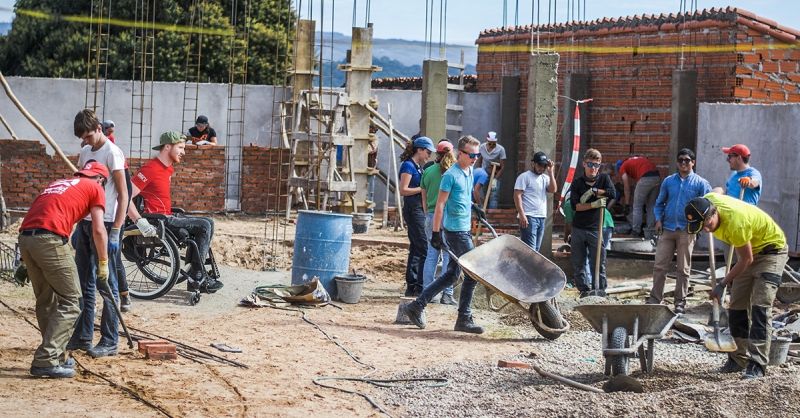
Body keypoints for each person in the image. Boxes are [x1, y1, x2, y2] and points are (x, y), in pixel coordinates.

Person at [19, 162, 110, 378]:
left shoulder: (58, 183)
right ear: (100, 179)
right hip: (49, 239)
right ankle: (46, 359)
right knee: (72, 300)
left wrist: (24, 261)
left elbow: (41, 215)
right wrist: (104, 262)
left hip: (26, 239)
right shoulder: (95, 187)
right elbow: (98, 229)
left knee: (46, 300)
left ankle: (56, 356)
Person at [685, 192, 788, 379]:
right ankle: (738, 358)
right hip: (749, 252)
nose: (707, 230)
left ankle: (757, 364)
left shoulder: (735, 223)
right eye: (702, 228)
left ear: (713, 214)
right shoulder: (709, 201)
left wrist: (722, 284)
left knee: (760, 307)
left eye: (708, 225)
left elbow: (746, 259)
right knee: (737, 308)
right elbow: (717, 191)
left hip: (771, 252)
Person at [402, 135, 485, 334]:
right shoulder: (451, 175)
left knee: (451, 275)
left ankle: (417, 305)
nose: (475, 159)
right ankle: (463, 318)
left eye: (477, 155)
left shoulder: (469, 171)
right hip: (455, 232)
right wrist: (437, 232)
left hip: (464, 228)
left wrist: (474, 207)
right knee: (473, 274)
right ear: (460, 153)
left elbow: (463, 196)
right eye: (471, 155)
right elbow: (439, 205)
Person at [128, 131, 223, 292]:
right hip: (156, 220)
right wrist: (138, 220)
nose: (183, 152)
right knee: (204, 226)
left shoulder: (168, 169)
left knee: (208, 222)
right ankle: (198, 276)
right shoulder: (150, 168)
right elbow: (125, 197)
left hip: (167, 215)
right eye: (180, 147)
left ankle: (196, 273)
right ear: (167, 147)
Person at [68, 109, 128, 359]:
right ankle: (82, 336)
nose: (86, 141)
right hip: (85, 223)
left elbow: (124, 195)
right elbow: (82, 189)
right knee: (85, 285)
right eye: (82, 138)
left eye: (89, 136)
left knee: (108, 284)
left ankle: (110, 340)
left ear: (99, 129)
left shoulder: (113, 153)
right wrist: (75, 223)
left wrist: (116, 230)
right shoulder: (85, 152)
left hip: (105, 224)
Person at [646, 149, 712, 314]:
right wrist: (658, 219)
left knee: (683, 269)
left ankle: (680, 302)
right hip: (667, 228)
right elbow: (659, 202)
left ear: (693, 162)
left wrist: (701, 225)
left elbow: (708, 206)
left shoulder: (700, 183)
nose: (684, 163)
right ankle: (655, 300)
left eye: (687, 160)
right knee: (660, 265)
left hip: (687, 230)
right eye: (681, 160)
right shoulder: (669, 181)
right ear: (677, 162)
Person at [570, 149, 616, 297]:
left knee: (598, 262)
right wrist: (593, 205)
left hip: (596, 229)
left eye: (596, 165)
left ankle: (600, 290)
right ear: (584, 164)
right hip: (579, 228)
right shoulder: (577, 183)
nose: (593, 168)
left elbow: (613, 193)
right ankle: (584, 290)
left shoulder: (604, 179)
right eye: (590, 164)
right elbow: (575, 206)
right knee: (579, 263)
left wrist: (597, 191)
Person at [420, 140, 457, 305]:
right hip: (447, 217)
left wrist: (428, 213)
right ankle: (447, 294)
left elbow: (424, 197)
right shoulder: (453, 172)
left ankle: (429, 293)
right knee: (449, 255)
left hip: (430, 215)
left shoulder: (428, 171)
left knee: (431, 255)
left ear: (437, 153)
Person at [102, 118, 133, 312]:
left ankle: (123, 296)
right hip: (97, 216)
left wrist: (118, 224)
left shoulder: (112, 150)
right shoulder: (90, 150)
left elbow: (126, 191)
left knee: (114, 257)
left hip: (113, 216)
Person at [398, 136, 435, 296]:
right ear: (419, 149)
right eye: (427, 152)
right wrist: (422, 189)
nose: (429, 155)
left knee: (416, 248)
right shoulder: (408, 166)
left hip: (417, 209)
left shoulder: (418, 166)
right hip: (413, 210)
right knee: (423, 247)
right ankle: (419, 285)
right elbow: (403, 190)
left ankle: (412, 285)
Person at [513, 151, 557, 252]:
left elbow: (553, 190)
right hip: (529, 216)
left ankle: (529, 268)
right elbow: (517, 196)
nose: (541, 168)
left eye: (544, 166)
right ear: (533, 163)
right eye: (539, 165)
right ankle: (526, 268)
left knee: (536, 250)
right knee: (530, 250)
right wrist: (522, 215)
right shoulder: (524, 177)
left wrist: (551, 172)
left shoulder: (545, 178)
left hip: (541, 217)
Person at [616, 156, 660, 236]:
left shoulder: (622, 166)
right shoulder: (634, 160)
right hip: (656, 176)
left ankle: (635, 231)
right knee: (651, 205)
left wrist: (627, 204)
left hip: (646, 177)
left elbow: (626, 187)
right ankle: (650, 232)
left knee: (637, 206)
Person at [477, 131, 506, 209]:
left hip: (495, 174)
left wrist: (495, 179)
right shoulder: (482, 147)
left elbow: (502, 166)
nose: (492, 145)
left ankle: (492, 214)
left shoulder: (501, 149)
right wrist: (480, 172)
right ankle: (485, 212)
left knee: (494, 194)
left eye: (494, 143)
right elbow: (479, 160)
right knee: (485, 193)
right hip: (484, 174)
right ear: (487, 141)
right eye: (490, 143)